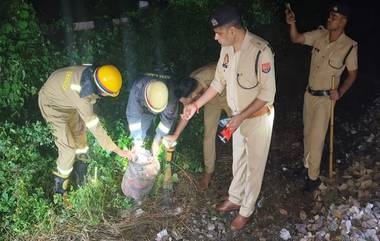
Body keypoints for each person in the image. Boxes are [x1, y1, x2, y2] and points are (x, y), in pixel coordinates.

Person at [182, 5, 276, 231]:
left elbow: (267, 94)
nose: (215, 37)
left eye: (219, 33)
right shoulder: (227, 48)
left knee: (254, 167)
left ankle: (247, 210)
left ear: (232, 30)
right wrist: (195, 104)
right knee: (239, 161)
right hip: (237, 119)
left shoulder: (260, 50)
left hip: (257, 120)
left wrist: (241, 117)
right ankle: (235, 197)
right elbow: (217, 82)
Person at [285, 2, 358, 192]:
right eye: (330, 16)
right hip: (309, 94)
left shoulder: (349, 46)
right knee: (307, 133)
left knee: (317, 138)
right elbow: (297, 39)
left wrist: (340, 92)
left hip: (326, 100)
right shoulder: (320, 35)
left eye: (334, 17)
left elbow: (352, 74)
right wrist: (292, 23)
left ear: (343, 21)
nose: (329, 19)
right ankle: (306, 167)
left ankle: (313, 178)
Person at [38, 64, 131, 195]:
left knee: (80, 137)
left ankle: (81, 176)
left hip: (66, 101)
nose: (106, 96)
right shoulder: (82, 96)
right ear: (101, 89)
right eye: (107, 93)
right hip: (52, 106)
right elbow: (94, 125)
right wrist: (116, 149)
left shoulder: (93, 72)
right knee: (68, 148)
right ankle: (60, 191)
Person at [164, 63, 232, 190]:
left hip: (229, 96)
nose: (184, 104)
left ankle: (241, 171)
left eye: (186, 102)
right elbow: (186, 114)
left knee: (239, 130)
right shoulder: (188, 85)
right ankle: (208, 172)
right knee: (208, 135)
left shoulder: (210, 74)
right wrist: (175, 135)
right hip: (211, 102)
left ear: (193, 95)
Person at [126, 72, 197, 159]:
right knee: (139, 135)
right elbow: (133, 117)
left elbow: (167, 121)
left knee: (166, 134)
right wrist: (137, 140)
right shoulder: (138, 88)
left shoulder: (171, 96)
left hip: (165, 96)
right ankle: (136, 147)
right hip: (144, 107)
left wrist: (157, 141)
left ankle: (167, 158)